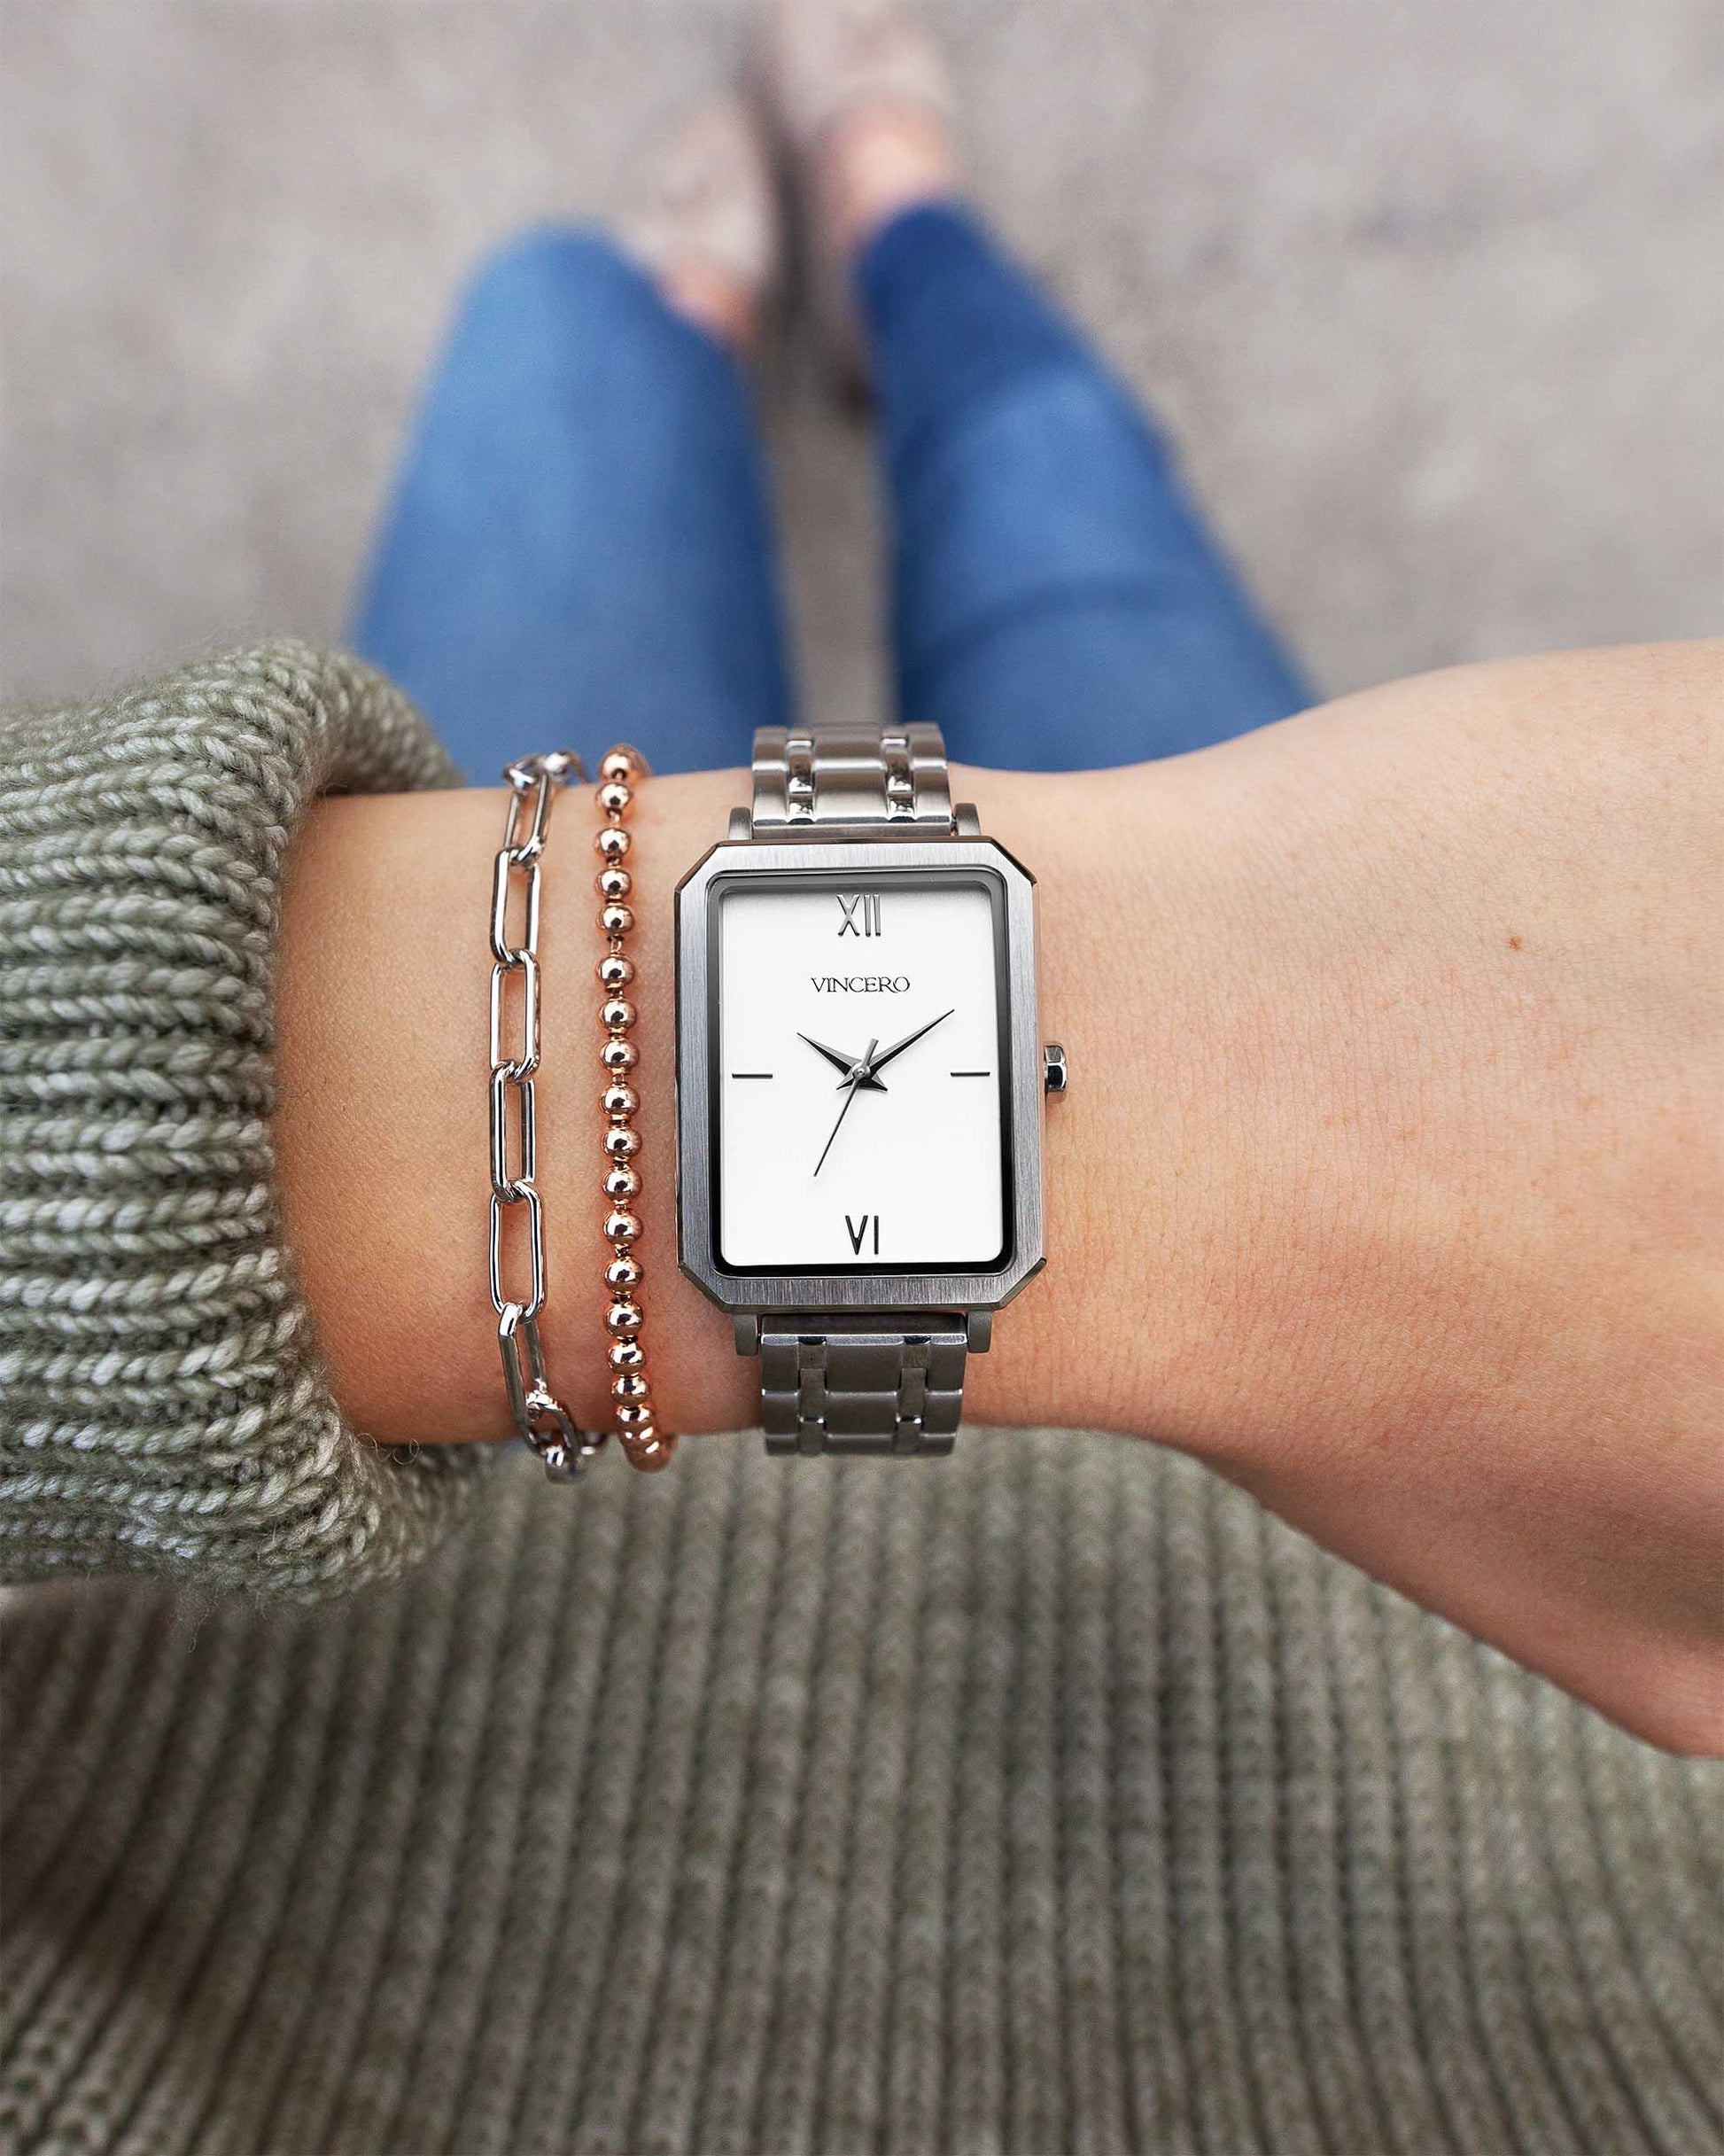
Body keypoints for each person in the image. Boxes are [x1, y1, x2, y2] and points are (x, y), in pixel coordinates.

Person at [2, 3, 1720, 2143]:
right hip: (1446, 1706)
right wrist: (1222, 1022)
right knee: (1063, 508)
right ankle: (904, 230)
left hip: (331, 1740)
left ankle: (722, 290)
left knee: (556, 341)